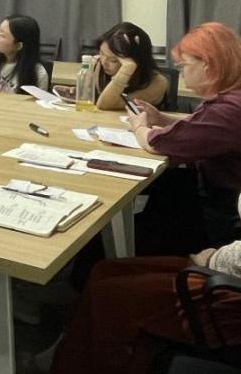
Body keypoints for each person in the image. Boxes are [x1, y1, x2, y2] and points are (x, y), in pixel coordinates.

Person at [50, 195, 241, 374]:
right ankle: (73, 347)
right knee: (104, 269)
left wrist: (212, 259)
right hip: (223, 265)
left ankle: (86, 360)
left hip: (228, 293)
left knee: (107, 294)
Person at [126, 22, 241, 249]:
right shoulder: (232, 97)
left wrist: (139, 126)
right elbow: (203, 128)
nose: (182, 73)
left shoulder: (227, 110)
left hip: (222, 213)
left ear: (207, 64)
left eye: (183, 66)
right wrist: (162, 118)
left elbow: (158, 143)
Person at [58, 22, 167, 111]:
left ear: (135, 61)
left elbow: (105, 104)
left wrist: (127, 68)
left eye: (113, 60)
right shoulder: (97, 64)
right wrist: (79, 93)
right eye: (101, 53)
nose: (104, 62)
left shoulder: (157, 83)